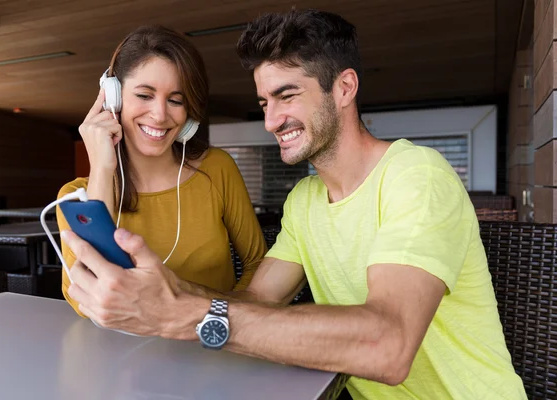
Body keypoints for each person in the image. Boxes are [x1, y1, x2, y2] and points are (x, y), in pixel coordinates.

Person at [59, 10, 527, 400]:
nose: (271, 120)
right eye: (264, 102)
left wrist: (183, 313)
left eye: (287, 96)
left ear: (344, 88)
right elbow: (255, 300)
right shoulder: (305, 201)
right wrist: (165, 293)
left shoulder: (416, 176)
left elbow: (389, 346)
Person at [56, 25, 267, 317]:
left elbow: (257, 262)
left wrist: (223, 321)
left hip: (212, 342)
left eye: (176, 100)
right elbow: (86, 300)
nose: (160, 115)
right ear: (113, 98)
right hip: (123, 349)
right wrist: (103, 171)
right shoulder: (74, 198)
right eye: (144, 95)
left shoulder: (217, 168)